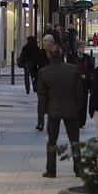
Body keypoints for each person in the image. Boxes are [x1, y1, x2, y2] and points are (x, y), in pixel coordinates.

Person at [38, 44, 83, 178]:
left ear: (48, 55)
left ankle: (51, 170)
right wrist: (77, 107)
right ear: (61, 54)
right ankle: (79, 169)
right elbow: (79, 92)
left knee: (52, 140)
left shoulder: (44, 72)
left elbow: (42, 95)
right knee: (74, 140)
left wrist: (45, 109)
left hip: (53, 109)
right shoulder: (73, 69)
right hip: (71, 109)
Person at [67, 40, 95, 128]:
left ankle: (82, 121)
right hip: (74, 84)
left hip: (85, 84)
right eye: (81, 48)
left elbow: (92, 71)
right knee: (75, 102)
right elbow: (69, 70)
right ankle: (75, 120)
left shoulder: (88, 58)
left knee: (84, 102)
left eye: (83, 48)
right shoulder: (71, 58)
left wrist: (86, 76)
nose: (82, 49)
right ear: (76, 48)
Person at [35, 35, 53, 131]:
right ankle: (40, 123)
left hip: (53, 83)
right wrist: (35, 76)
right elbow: (35, 65)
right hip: (42, 82)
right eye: (43, 41)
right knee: (40, 103)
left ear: (51, 42)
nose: (43, 42)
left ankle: (51, 123)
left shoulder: (55, 53)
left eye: (45, 41)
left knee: (52, 104)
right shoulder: (40, 53)